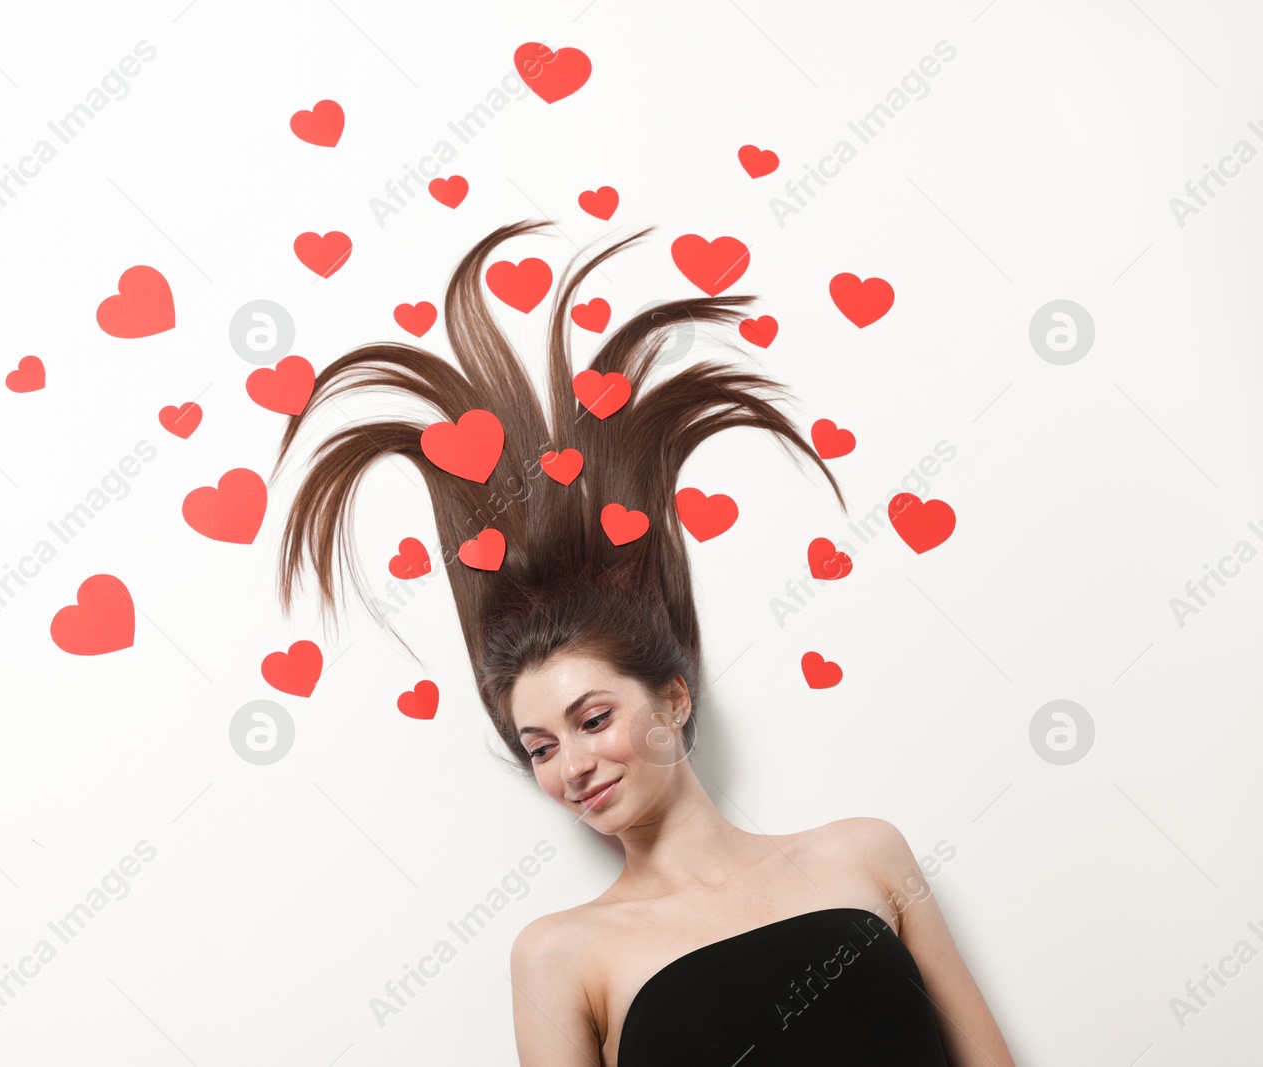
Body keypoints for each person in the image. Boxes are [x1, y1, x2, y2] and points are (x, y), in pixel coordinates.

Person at [271, 219, 1015, 1066]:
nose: (571, 766)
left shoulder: (865, 854)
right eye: (540, 746)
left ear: (673, 695)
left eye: (593, 718)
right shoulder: (560, 955)